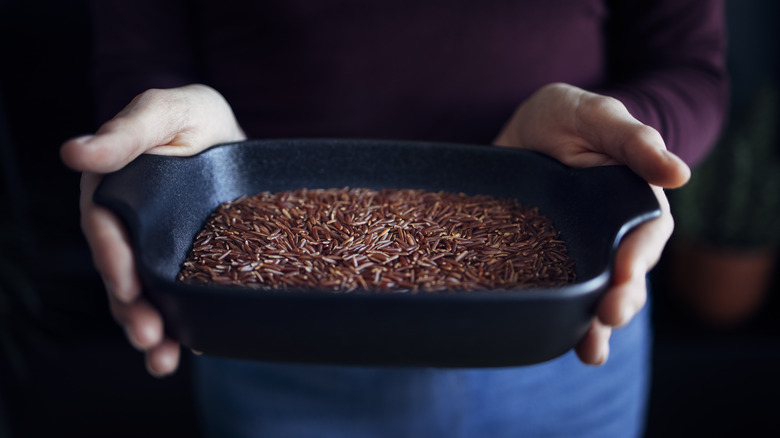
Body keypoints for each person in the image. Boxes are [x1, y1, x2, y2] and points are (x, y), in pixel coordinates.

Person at [61, 1, 727, 437]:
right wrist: (159, 166)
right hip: (269, 344)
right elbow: (139, 52)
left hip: (559, 343)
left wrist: (628, 141)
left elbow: (689, 67)